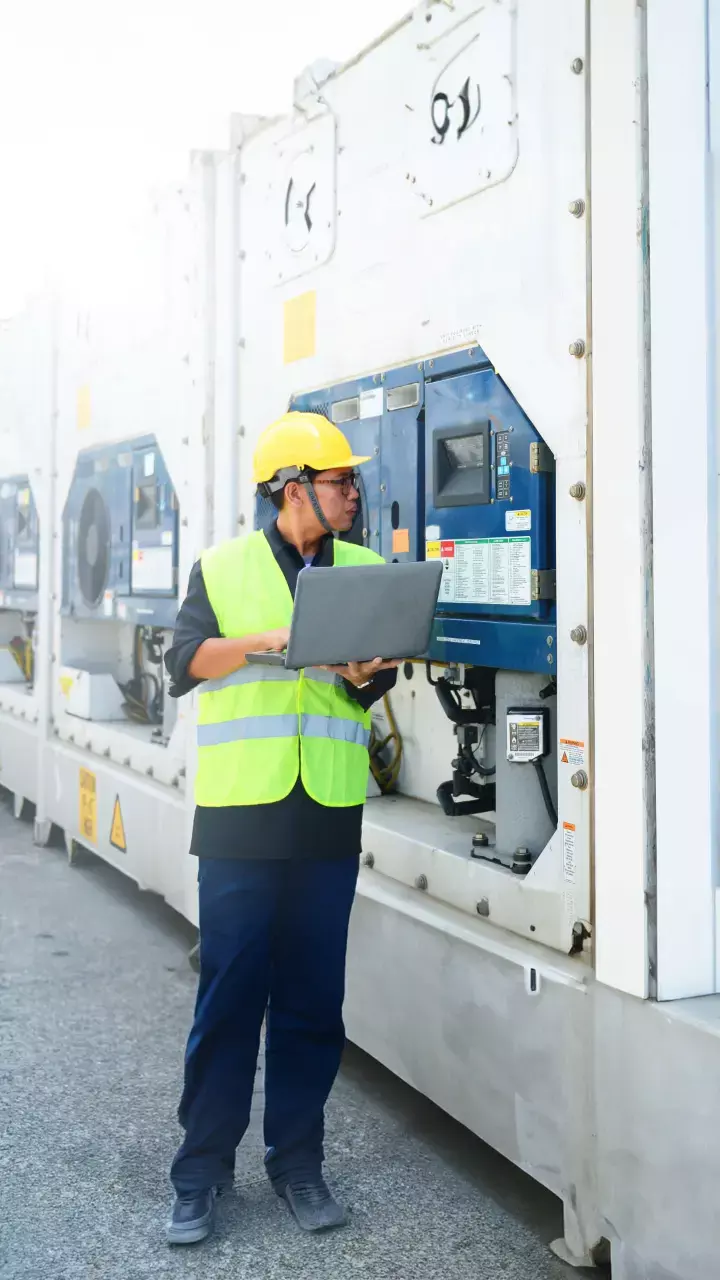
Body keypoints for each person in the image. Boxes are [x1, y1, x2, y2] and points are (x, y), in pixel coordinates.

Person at [164, 410, 399, 1245]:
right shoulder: (223, 568)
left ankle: (298, 1164)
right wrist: (269, 637)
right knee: (229, 995)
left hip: (327, 814)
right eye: (340, 482)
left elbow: (376, 685)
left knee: (311, 1001)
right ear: (293, 488)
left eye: (351, 481)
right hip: (240, 817)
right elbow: (183, 664)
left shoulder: (368, 567)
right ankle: (199, 1174)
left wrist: (369, 672)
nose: (353, 494)